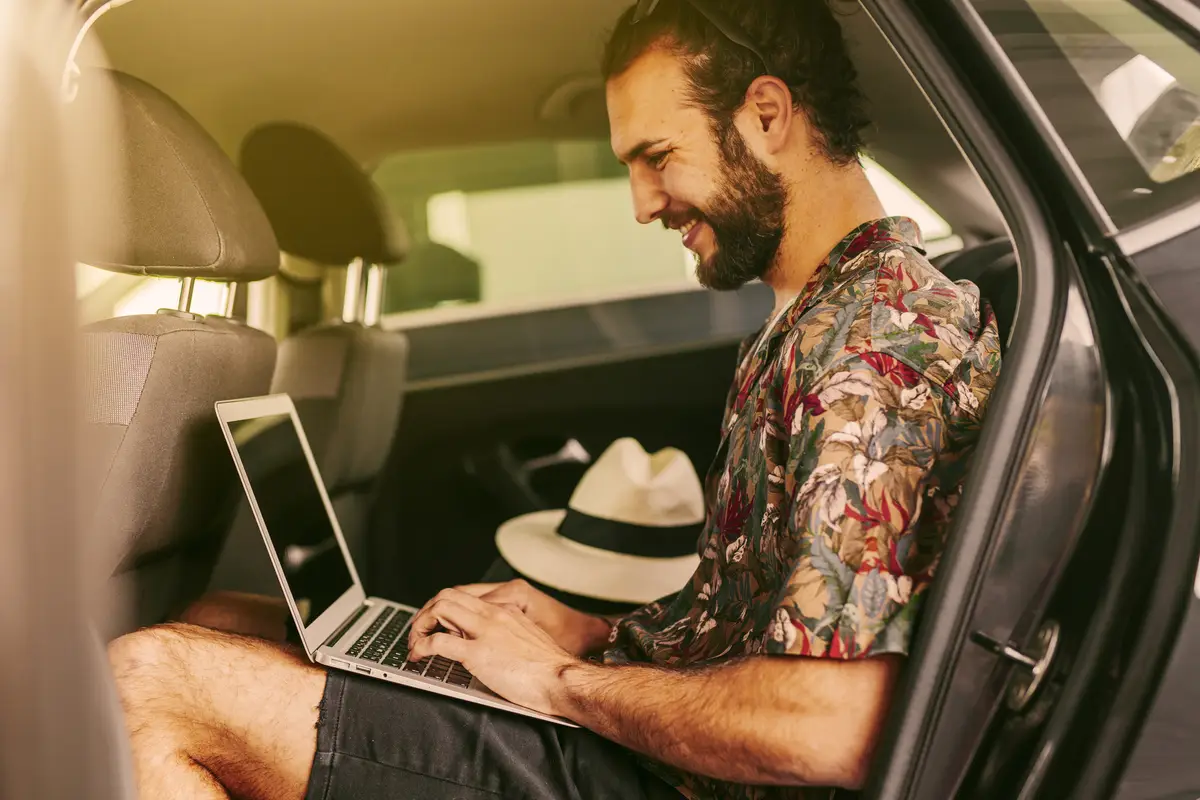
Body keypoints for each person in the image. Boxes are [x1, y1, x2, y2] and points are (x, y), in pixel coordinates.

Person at [107, 1, 1002, 798]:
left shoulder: (874, 344)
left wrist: (553, 679)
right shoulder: (818, 317)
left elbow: (828, 726)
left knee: (150, 679)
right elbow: (756, 630)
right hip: (641, 750)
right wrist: (591, 629)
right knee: (213, 620)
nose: (643, 203)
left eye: (658, 157)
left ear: (766, 115)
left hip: (657, 776)